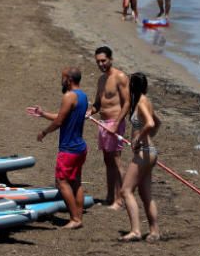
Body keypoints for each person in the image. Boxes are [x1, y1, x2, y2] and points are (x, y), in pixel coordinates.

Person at [27, 67, 88, 229]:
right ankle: (79, 216)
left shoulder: (69, 96)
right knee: (76, 182)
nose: (61, 80)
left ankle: (75, 219)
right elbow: (63, 116)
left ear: (68, 79)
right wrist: (43, 113)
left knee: (61, 182)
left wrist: (44, 132)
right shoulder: (83, 96)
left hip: (69, 149)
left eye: (62, 78)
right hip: (80, 147)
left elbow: (59, 122)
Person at [118, 73, 161, 243]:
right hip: (149, 151)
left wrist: (139, 138)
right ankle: (154, 231)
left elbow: (150, 123)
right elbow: (158, 123)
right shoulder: (145, 101)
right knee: (145, 194)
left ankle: (135, 231)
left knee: (125, 190)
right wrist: (147, 137)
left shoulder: (142, 102)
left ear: (132, 86)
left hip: (144, 151)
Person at [91, 46, 130, 209]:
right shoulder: (101, 80)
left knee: (116, 160)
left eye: (103, 61)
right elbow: (97, 104)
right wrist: (89, 111)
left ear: (111, 59)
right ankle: (109, 196)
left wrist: (116, 124)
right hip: (103, 124)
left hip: (115, 123)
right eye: (98, 61)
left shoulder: (120, 77)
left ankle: (120, 199)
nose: (101, 64)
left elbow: (127, 102)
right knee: (107, 161)